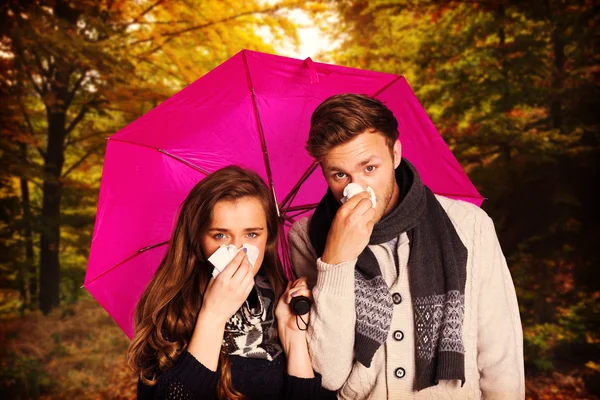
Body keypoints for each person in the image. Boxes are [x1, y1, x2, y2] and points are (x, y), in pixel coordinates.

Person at [288, 94, 525, 399]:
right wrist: (335, 260)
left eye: (369, 168)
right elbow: (329, 375)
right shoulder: (308, 236)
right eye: (339, 174)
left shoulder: (469, 224)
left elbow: (501, 356)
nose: (356, 187)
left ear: (396, 153)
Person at [129, 165, 335, 400]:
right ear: (198, 239)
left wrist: (294, 339)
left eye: (251, 234)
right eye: (220, 235)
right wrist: (213, 315)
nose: (238, 251)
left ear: (268, 236)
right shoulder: (172, 312)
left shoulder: (288, 305)